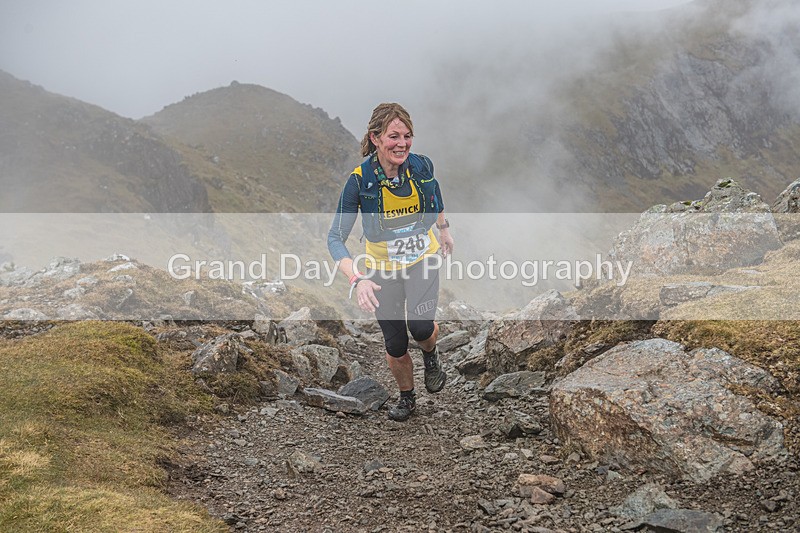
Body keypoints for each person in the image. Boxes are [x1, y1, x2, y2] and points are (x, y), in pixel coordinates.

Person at [327, 103, 454, 421]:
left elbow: (435, 197)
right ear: (375, 138)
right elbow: (334, 239)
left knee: (422, 327)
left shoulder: (422, 166)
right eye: (394, 136)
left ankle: (430, 352)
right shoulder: (359, 182)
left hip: (422, 258)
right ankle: (408, 398)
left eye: (408, 136)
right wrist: (357, 279)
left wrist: (444, 229)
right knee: (395, 343)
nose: (402, 143)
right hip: (381, 269)